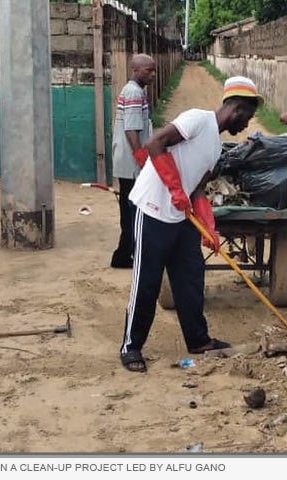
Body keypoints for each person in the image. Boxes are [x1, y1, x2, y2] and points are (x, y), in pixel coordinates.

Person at [120, 76, 263, 373]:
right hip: (154, 209)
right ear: (237, 108)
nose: (247, 124)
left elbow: (198, 189)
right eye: (248, 117)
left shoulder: (216, 149)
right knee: (147, 282)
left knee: (191, 277)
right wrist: (174, 188)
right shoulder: (197, 120)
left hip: (181, 216)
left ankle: (198, 340)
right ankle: (131, 347)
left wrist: (208, 228)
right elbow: (154, 143)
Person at [110, 54, 155, 269]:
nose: (152, 75)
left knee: (129, 209)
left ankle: (124, 254)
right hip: (131, 163)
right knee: (132, 211)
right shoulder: (135, 92)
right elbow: (132, 128)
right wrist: (141, 158)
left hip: (127, 161)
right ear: (135, 70)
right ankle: (123, 255)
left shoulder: (134, 91)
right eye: (148, 70)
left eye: (153, 70)